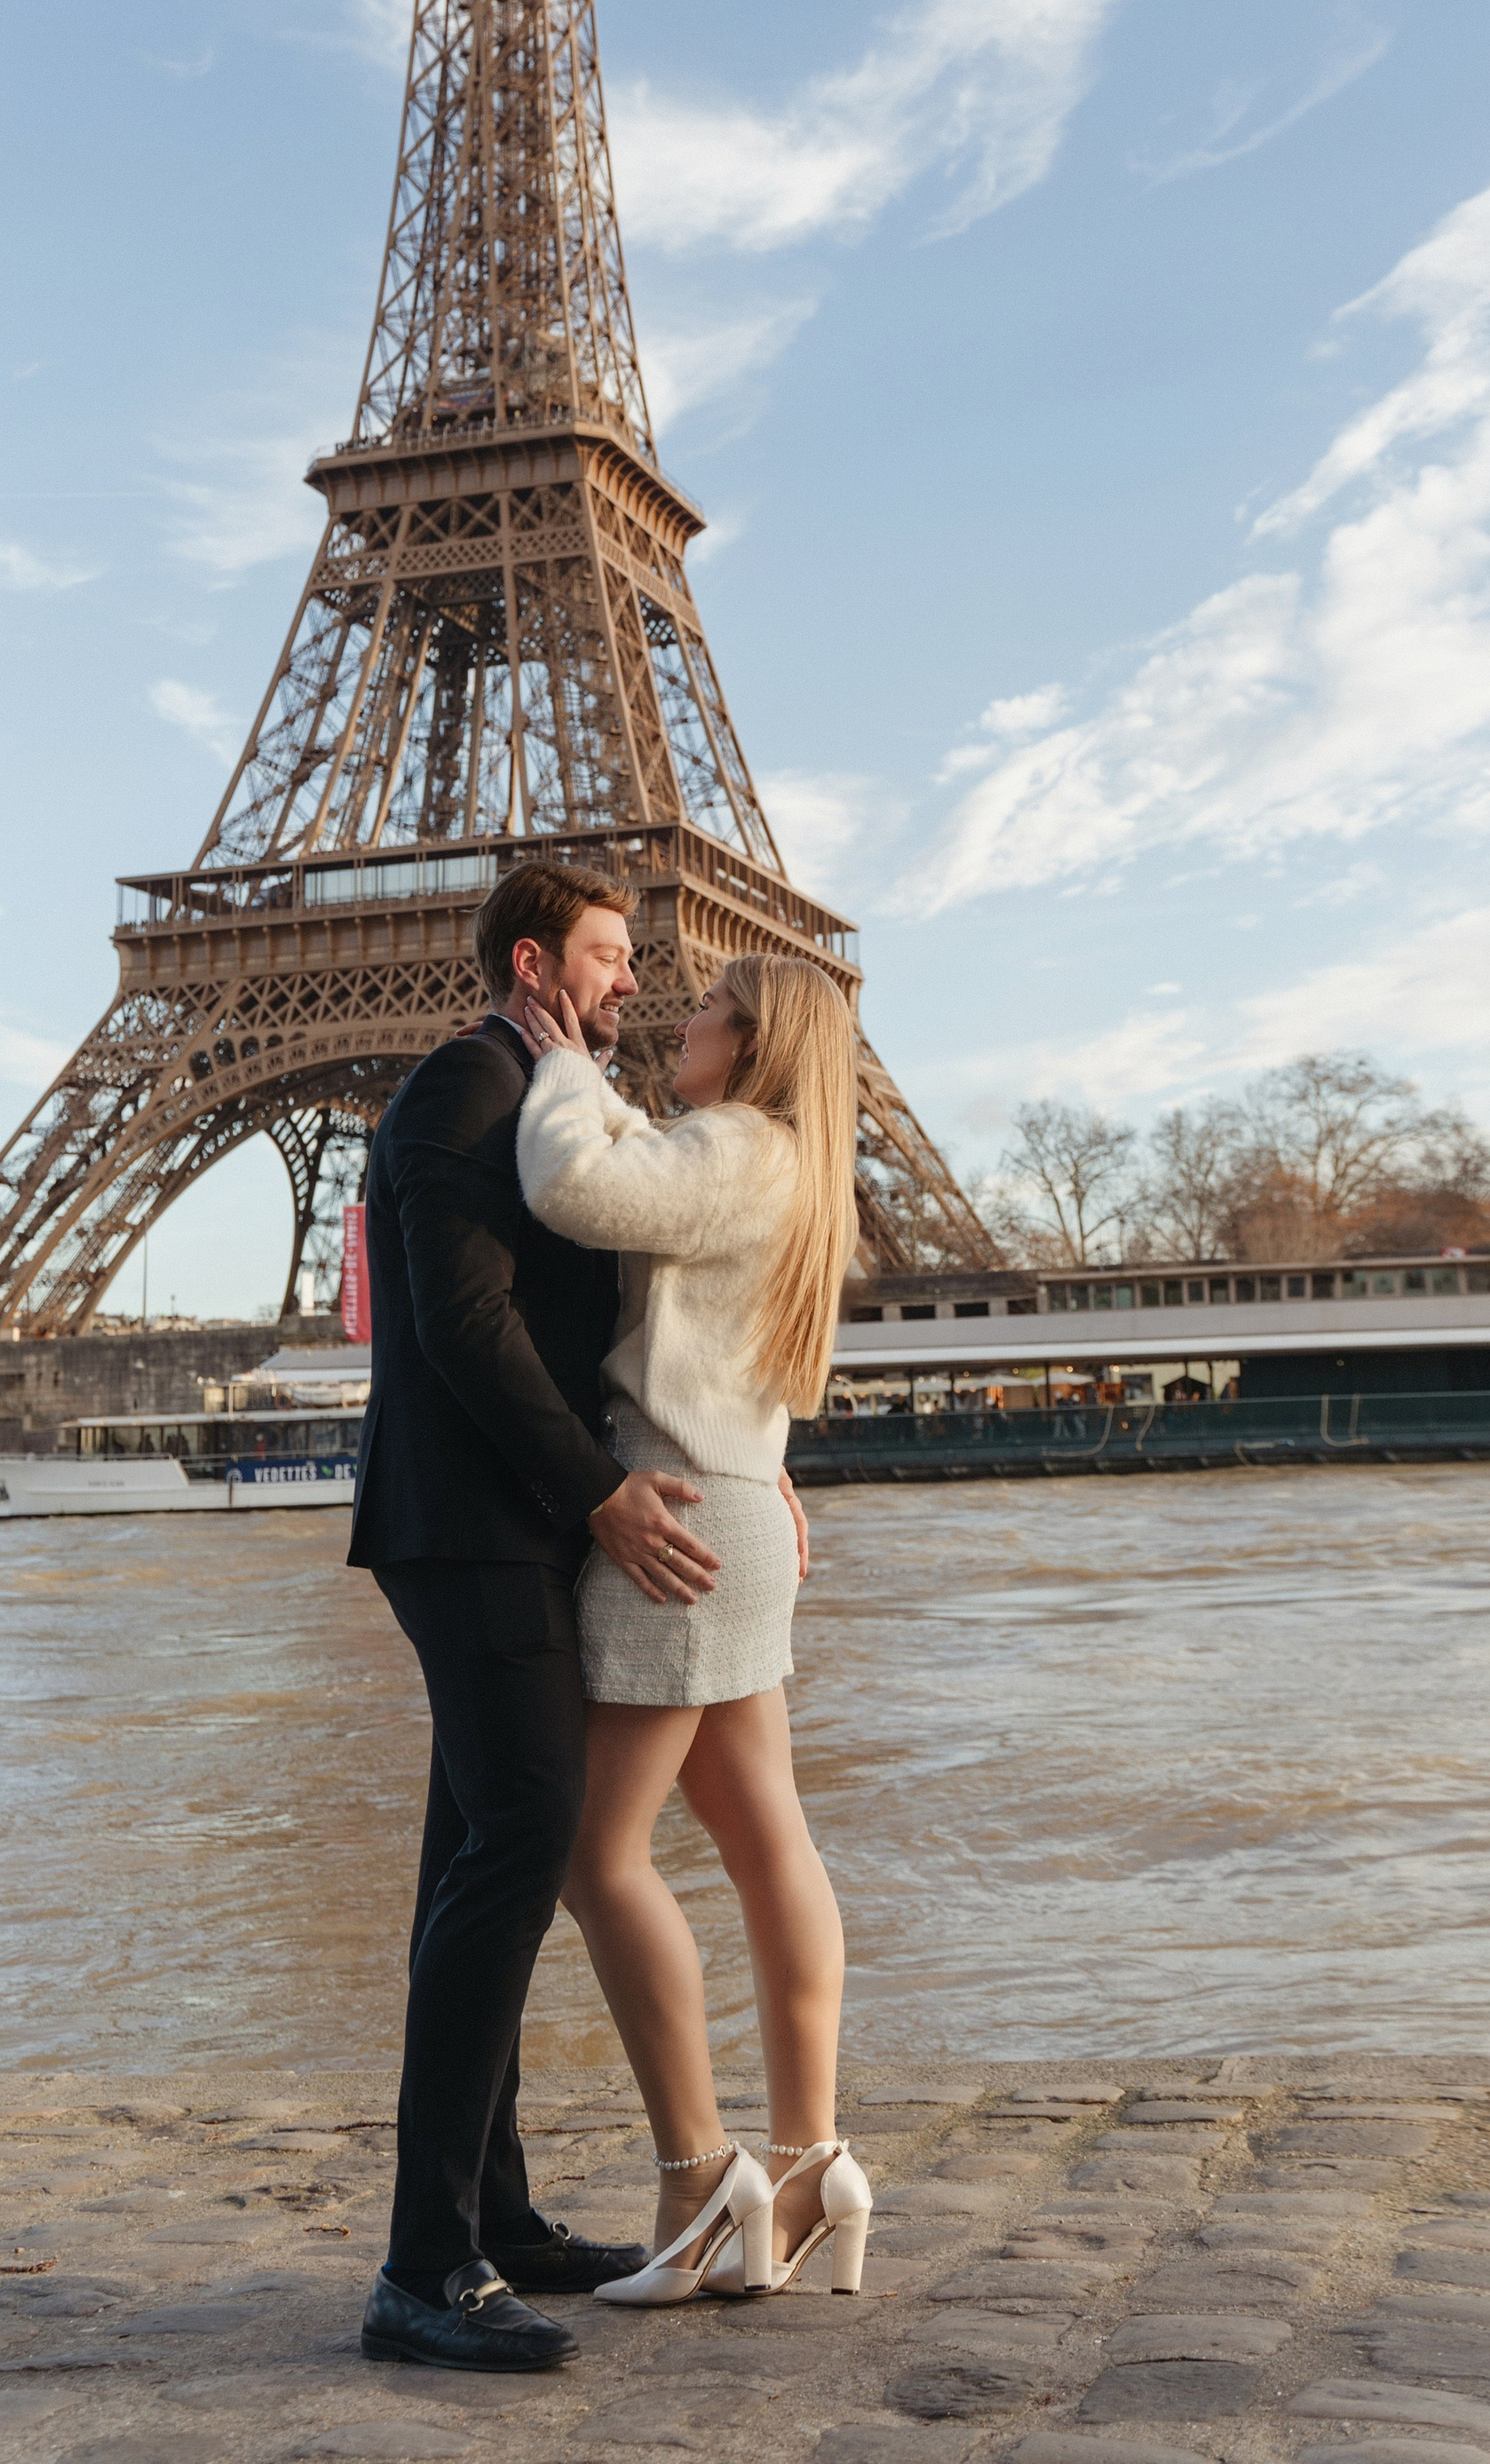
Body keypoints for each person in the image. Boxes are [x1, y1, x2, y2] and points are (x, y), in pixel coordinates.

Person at [349, 860, 725, 2374]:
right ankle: (423, 2266)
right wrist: (599, 1494)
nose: (634, 978)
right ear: (534, 959)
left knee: (477, 1860)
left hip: (509, 1523)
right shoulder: (470, 1080)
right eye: (610, 953)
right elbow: (464, 1321)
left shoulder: (544, 1088)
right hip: (474, 1526)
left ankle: (490, 2219)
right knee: (520, 1845)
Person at [512, 954, 876, 2306]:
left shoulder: (731, 1146)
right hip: (741, 1504)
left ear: (754, 1039)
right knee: (768, 1838)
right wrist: (605, 1088)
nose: (681, 1016)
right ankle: (809, 2157)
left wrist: (564, 1059)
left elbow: (575, 1187)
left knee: (595, 1856)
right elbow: (644, 1176)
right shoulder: (795, 1166)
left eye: (708, 1007)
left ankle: (698, 2173)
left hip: (673, 1523)